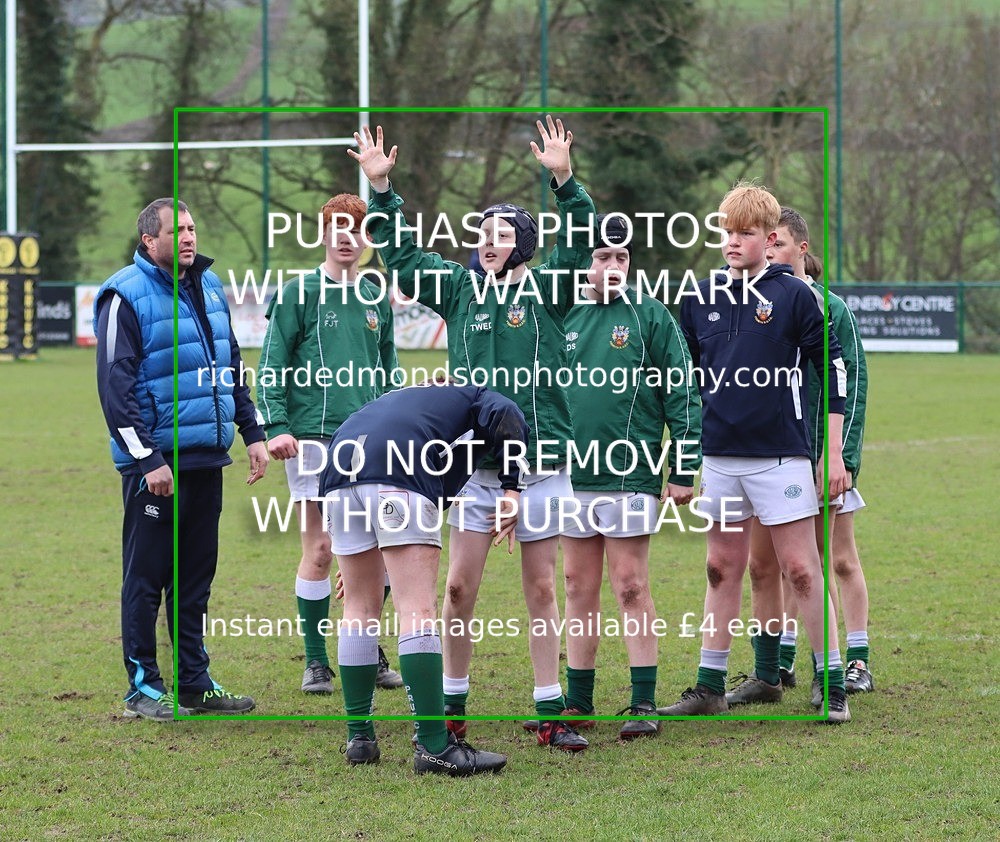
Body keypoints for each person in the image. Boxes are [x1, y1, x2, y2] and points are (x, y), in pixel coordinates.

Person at [349, 117, 597, 750]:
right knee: (457, 590)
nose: (488, 241)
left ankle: (550, 713)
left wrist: (563, 178)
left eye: (502, 233)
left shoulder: (548, 287)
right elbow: (401, 255)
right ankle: (452, 711)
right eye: (483, 232)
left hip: (539, 467)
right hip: (475, 473)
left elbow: (578, 239)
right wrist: (382, 190)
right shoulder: (458, 289)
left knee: (543, 590)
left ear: (522, 244)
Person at [657, 182, 854, 723]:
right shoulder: (698, 297)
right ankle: (709, 685)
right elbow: (684, 384)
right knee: (721, 568)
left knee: (801, 570)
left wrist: (831, 454)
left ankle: (830, 680)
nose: (732, 242)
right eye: (726, 232)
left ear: (770, 240)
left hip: (781, 456)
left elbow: (834, 373)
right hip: (720, 458)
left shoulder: (795, 296)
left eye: (744, 233)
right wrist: (686, 459)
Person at [523, 213, 702, 740]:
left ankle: (642, 702)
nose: (613, 266)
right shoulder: (557, 313)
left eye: (622, 258)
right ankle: (577, 702)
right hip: (568, 477)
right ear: (586, 261)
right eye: (603, 257)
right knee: (577, 586)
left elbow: (683, 395)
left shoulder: (651, 317)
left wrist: (683, 467)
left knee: (630, 585)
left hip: (630, 475)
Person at [95, 198, 268, 720]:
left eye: (193, 228)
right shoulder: (124, 295)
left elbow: (229, 365)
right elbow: (114, 388)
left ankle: (194, 682)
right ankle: (143, 687)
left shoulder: (210, 287)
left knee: (194, 579)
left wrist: (252, 430)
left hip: (205, 460)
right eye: (179, 230)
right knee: (147, 578)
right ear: (150, 240)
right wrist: (147, 459)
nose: (190, 237)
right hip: (157, 466)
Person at [318, 382, 528, 776]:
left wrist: (364, 562)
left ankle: (359, 738)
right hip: (398, 464)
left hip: (339, 467)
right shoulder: (478, 396)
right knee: (417, 609)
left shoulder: (408, 403)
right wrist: (512, 488)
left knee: (358, 607)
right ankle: (434, 746)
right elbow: (509, 414)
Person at [257, 192, 403, 696]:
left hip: (369, 439)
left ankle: (367, 647)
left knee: (378, 551)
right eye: (337, 228)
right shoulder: (299, 292)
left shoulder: (375, 294)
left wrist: (397, 425)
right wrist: (275, 424)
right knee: (320, 549)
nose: (347, 237)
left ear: (368, 240)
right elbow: (271, 363)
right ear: (322, 234)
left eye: (357, 230)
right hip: (313, 439)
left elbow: (389, 370)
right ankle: (316, 662)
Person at [726, 207, 872, 708]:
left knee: (834, 560)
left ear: (802, 250)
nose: (769, 254)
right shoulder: (758, 302)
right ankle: (774, 666)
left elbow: (850, 383)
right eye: (764, 246)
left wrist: (842, 457)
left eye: (779, 246)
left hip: (821, 456)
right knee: (769, 567)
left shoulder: (829, 308)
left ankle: (853, 662)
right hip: (775, 456)